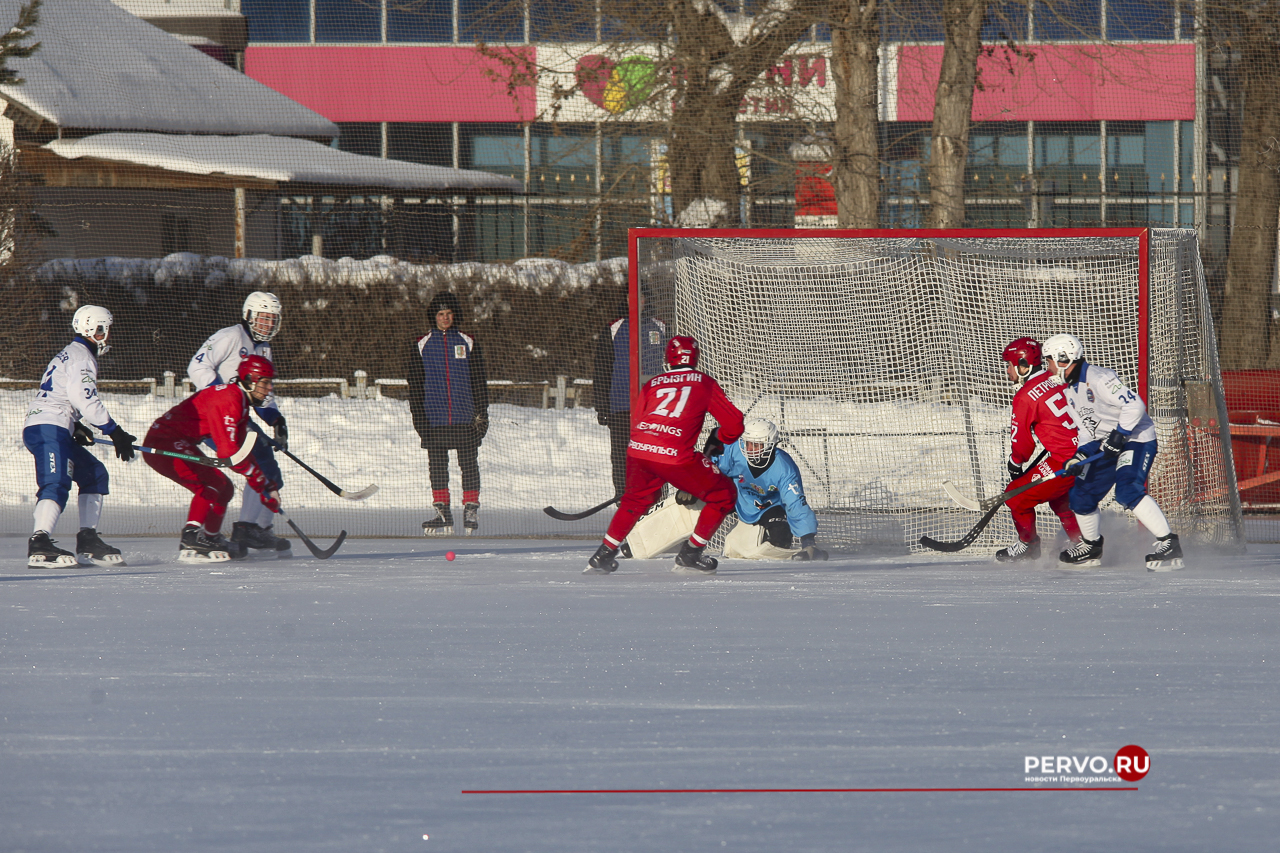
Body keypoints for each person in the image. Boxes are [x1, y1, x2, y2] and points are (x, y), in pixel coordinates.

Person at [585, 335, 745, 575]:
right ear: (696, 357)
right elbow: (735, 424)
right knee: (724, 495)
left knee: (635, 500)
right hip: (675, 457)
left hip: (639, 451)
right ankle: (691, 554)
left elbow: (639, 422)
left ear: (667, 359)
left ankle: (603, 555)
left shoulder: (652, 384)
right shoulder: (703, 382)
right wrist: (719, 439)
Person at [1042, 333, 1183, 571]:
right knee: (1081, 494)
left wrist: (1119, 435)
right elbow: (1087, 431)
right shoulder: (1070, 391)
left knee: (1127, 490)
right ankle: (1091, 547)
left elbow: (1135, 405)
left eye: (1050, 361)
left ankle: (1169, 544)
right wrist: (1080, 456)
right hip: (1108, 445)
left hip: (1136, 440)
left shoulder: (1100, 378)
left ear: (1063, 358)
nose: (1048, 367)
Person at [22, 305, 137, 568]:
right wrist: (114, 431)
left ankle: (87, 540)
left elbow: (63, 394)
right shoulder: (82, 356)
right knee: (56, 481)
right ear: (95, 330)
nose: (108, 335)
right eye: (105, 330)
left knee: (94, 473)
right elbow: (84, 398)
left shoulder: (70, 353)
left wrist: (76, 425)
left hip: (55, 424)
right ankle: (39, 541)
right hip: (48, 426)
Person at [620, 417, 828, 562]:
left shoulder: (785, 468)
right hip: (733, 495)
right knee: (687, 502)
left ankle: (754, 545)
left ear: (771, 445)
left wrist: (808, 541)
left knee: (771, 541)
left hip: (767, 509)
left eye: (757, 445)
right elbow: (709, 467)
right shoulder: (733, 450)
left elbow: (795, 504)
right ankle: (640, 542)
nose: (750, 450)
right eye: (747, 444)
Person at [143, 355, 282, 563]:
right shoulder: (230, 399)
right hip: (164, 442)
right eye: (265, 382)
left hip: (179, 441)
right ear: (250, 380)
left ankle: (210, 537)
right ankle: (191, 538)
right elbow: (228, 453)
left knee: (224, 487)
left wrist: (265, 484)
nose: (269, 388)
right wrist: (256, 477)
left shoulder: (240, 401)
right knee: (212, 483)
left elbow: (242, 451)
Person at [187, 291, 290, 556]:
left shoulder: (264, 348)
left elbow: (263, 389)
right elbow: (197, 367)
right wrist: (221, 396)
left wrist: (275, 418)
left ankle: (261, 529)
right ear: (248, 316)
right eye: (263, 318)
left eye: (272, 319)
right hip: (213, 416)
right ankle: (246, 527)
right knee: (259, 462)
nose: (267, 324)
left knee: (270, 468)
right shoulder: (231, 336)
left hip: (237, 415)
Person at [407, 291, 490, 536]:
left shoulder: (468, 341)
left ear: (455, 315)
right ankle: (442, 511)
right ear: (434, 317)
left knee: (468, 464)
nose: (445, 318)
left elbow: (479, 382)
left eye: (449, 313)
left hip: (465, 417)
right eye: (441, 314)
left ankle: (471, 509)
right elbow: (414, 385)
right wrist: (419, 418)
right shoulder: (421, 344)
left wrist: (481, 414)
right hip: (435, 418)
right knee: (437, 466)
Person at [994, 336, 1083, 562]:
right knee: (1059, 497)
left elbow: (1023, 444)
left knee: (1015, 495)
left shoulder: (1024, 396)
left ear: (1024, 366)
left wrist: (1015, 462)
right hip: (1086, 451)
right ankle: (1084, 542)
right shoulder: (1055, 378)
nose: (1008, 371)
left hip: (1066, 460)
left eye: (1010, 365)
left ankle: (1029, 545)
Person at [594, 296, 666, 497]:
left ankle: (656, 496)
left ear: (646, 299)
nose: (635, 301)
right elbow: (602, 369)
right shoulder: (613, 328)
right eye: (630, 297)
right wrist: (602, 405)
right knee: (621, 455)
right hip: (620, 406)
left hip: (654, 407)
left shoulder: (660, 327)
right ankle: (623, 496)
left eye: (639, 297)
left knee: (654, 454)